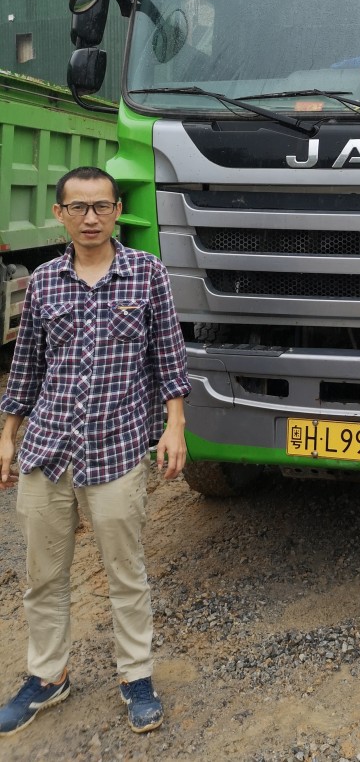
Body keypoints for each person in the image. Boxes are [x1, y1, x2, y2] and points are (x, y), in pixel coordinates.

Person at [0, 167, 191, 737]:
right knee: (43, 575)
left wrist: (175, 427)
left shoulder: (147, 274)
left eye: (101, 206)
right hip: (48, 448)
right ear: (59, 214)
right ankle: (48, 676)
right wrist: (7, 435)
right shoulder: (44, 282)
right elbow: (26, 367)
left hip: (116, 449)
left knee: (125, 573)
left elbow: (169, 359)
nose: (90, 218)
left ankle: (136, 677)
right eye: (78, 207)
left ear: (116, 211)